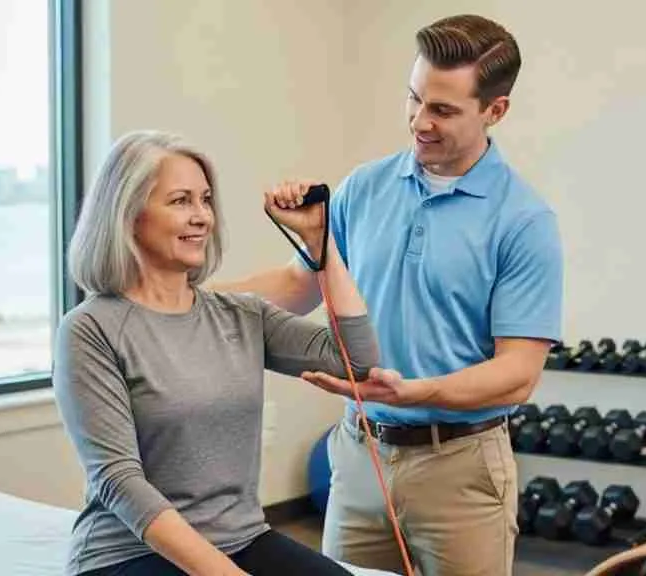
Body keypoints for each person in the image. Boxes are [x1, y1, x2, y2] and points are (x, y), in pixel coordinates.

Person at [216, 14, 563, 576]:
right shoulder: (363, 188)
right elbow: (297, 286)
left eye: (443, 110)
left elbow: (519, 373)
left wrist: (416, 392)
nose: (419, 122)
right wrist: (177, 298)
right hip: (359, 456)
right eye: (414, 99)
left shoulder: (524, 221)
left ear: (494, 111)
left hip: (462, 468)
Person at [52, 129, 382, 576]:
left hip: (242, 538)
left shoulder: (239, 315)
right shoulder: (90, 330)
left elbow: (356, 361)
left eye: (205, 200)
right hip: (129, 553)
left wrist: (320, 244)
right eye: (180, 201)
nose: (202, 216)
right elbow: (119, 481)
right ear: (128, 215)